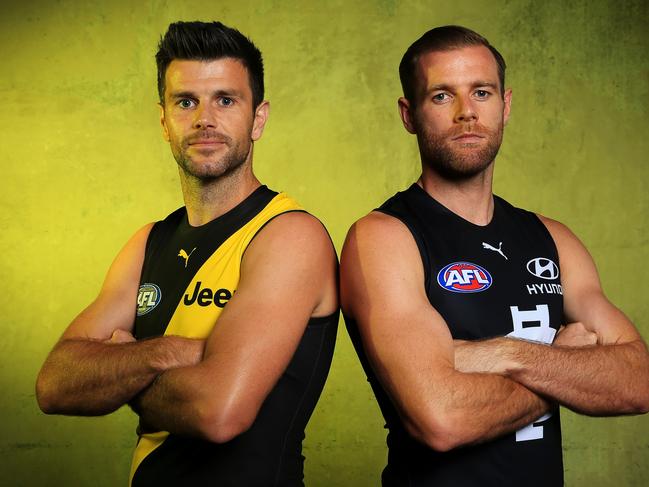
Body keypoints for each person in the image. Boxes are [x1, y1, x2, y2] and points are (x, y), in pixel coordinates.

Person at [340, 25, 649, 486]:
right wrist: (563, 370)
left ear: (505, 106)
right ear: (409, 114)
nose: (467, 113)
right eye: (442, 96)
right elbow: (441, 419)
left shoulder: (553, 239)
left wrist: (505, 354)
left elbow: (637, 380)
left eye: (481, 92)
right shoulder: (384, 237)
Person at [36, 21, 338, 486]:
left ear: (258, 118)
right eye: (185, 102)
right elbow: (54, 384)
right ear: (164, 121)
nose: (204, 119)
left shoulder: (289, 235)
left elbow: (217, 411)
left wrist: (118, 371)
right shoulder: (148, 242)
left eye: (225, 99)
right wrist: (167, 353)